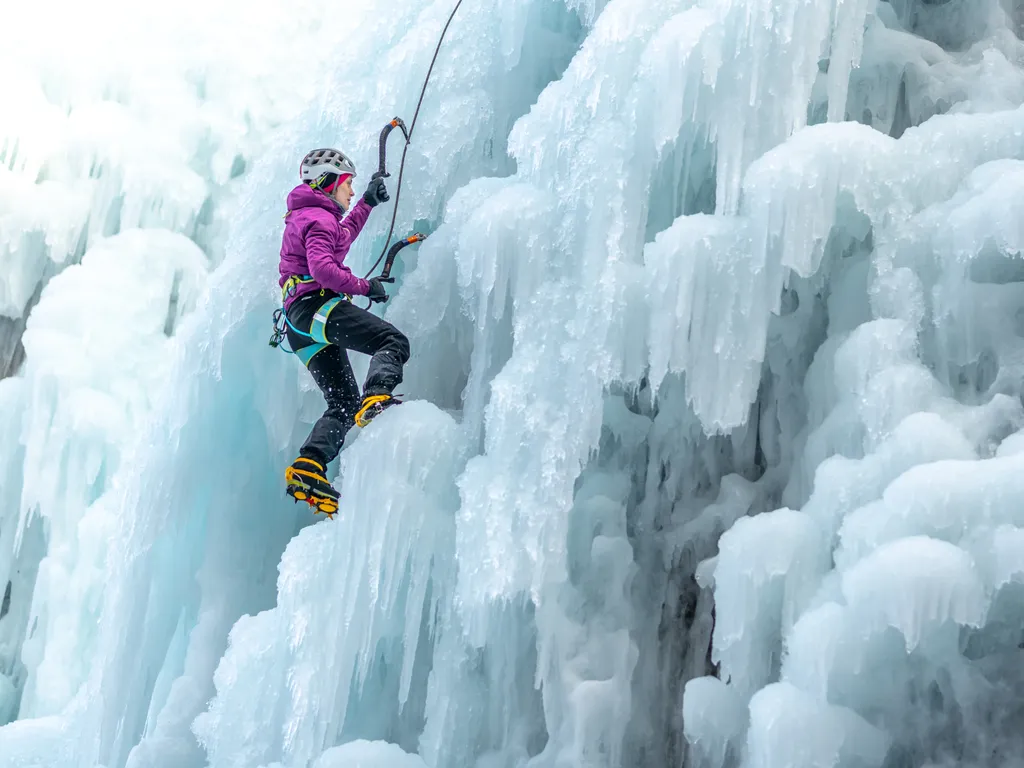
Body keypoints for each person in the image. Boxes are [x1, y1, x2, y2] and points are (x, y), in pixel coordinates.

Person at [278, 147, 410, 515]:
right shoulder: (318, 220)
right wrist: (366, 287)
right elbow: (323, 269)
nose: (351, 191)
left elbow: (342, 236)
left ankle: (309, 466)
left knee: (342, 403)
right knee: (392, 341)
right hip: (315, 307)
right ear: (328, 182)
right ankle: (377, 394)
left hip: (299, 325)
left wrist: (367, 203)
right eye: (348, 184)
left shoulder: (311, 216)